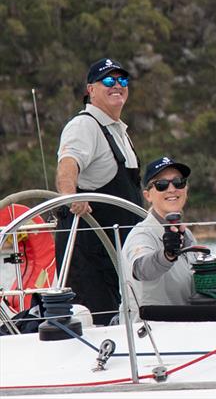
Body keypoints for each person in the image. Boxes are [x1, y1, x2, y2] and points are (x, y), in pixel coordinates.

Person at [55, 58, 144, 325]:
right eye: (108, 80)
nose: (117, 85)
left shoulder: (118, 131)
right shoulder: (85, 125)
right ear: (91, 89)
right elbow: (68, 165)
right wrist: (72, 198)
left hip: (121, 256)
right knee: (97, 323)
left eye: (122, 80)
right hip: (90, 257)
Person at [121, 157, 200, 322]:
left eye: (178, 182)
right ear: (148, 195)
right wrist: (167, 255)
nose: (171, 189)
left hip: (185, 327)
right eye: (162, 185)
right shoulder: (141, 234)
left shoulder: (188, 235)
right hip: (150, 334)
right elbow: (142, 269)